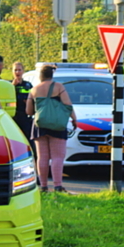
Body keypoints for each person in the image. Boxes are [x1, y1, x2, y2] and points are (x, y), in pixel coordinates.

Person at [26, 65, 77, 193]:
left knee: (42, 157)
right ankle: (58, 186)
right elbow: (68, 105)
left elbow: (29, 111)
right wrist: (74, 119)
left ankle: (43, 186)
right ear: (51, 75)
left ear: (40, 76)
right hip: (57, 125)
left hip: (40, 126)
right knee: (57, 157)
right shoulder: (59, 87)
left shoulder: (34, 90)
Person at [11, 62, 33, 143]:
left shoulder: (28, 85)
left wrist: (29, 101)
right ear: (12, 72)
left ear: (23, 71)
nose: (17, 72)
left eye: (19, 70)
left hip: (25, 115)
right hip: (13, 116)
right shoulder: (8, 84)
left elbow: (33, 98)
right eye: (15, 70)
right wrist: (12, 86)